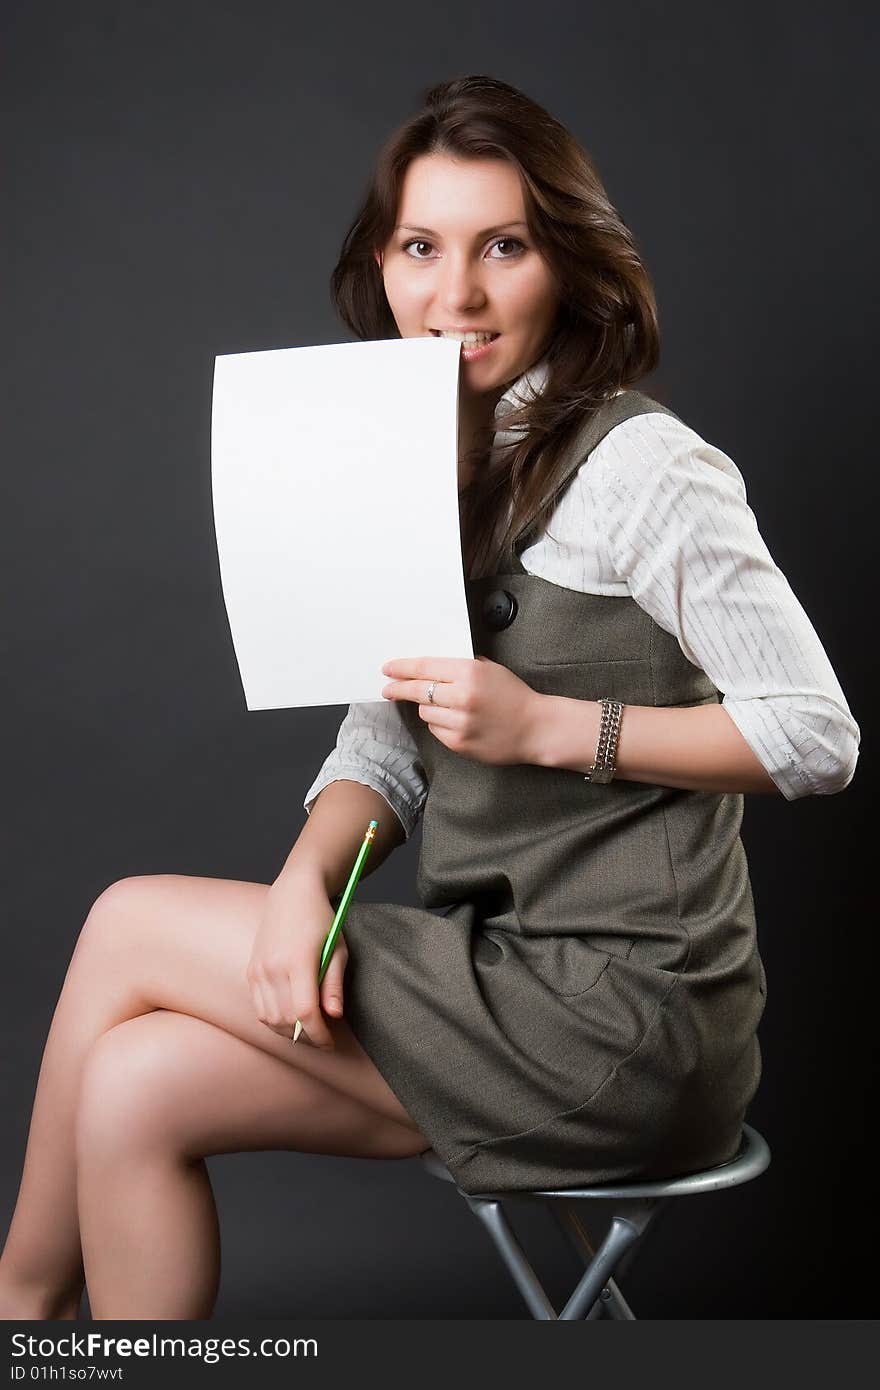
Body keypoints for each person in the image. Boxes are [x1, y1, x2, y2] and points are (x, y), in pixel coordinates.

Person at [0, 75, 860, 1322]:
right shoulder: (415, 454)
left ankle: (17, 1313)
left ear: (564, 262)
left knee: (130, 919)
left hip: (629, 1022)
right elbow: (386, 736)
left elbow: (816, 732)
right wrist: (303, 881)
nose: (452, 294)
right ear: (383, 263)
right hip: (497, 982)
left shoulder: (646, 470)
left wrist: (551, 728)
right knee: (133, 1087)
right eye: (420, 246)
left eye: (500, 246)